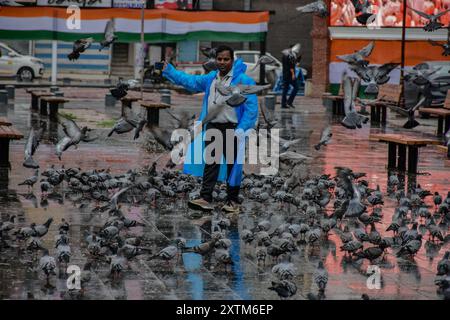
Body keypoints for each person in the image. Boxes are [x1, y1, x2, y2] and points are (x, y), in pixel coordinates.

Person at [162, 45, 258, 213]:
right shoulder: (211, 79)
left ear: (232, 61)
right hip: (213, 126)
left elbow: (252, 109)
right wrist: (169, 71)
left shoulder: (244, 81)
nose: (222, 62)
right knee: (211, 163)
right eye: (219, 59)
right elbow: (190, 81)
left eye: (226, 59)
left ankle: (232, 201)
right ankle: (205, 198)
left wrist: (242, 130)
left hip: (234, 128)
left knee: (232, 165)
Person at [281, 45, 300, 109]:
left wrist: (296, 62)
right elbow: (290, 66)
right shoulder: (289, 55)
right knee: (296, 87)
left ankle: (283, 104)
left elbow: (290, 64)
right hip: (289, 75)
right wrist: (293, 74)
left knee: (285, 89)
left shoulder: (285, 55)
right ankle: (289, 101)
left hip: (285, 74)